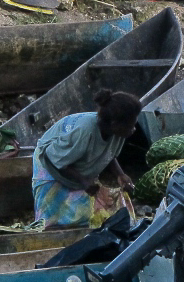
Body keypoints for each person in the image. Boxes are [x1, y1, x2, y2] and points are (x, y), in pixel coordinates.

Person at [31, 89, 141, 229]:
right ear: (114, 124)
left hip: (76, 163)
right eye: (130, 126)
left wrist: (120, 175)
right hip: (50, 161)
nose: (134, 130)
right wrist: (83, 181)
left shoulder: (117, 133)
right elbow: (57, 159)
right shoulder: (84, 131)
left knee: (83, 215)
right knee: (52, 217)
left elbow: (109, 153)